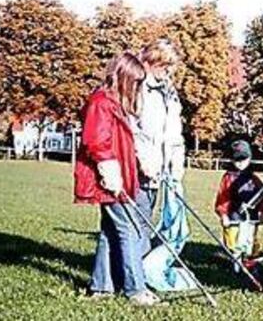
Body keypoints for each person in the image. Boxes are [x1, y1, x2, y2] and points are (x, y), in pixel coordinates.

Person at [73, 52, 160, 306]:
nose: (138, 88)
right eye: (136, 82)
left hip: (124, 176)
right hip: (111, 177)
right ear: (123, 78)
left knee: (110, 231)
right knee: (129, 229)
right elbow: (96, 141)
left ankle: (101, 287)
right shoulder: (101, 102)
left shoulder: (116, 103)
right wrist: (109, 171)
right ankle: (135, 289)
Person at [133, 39, 184, 256]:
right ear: (151, 62)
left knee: (146, 222)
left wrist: (177, 166)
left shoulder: (169, 92)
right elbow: (132, 129)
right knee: (136, 224)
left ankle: (136, 274)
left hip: (160, 172)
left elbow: (174, 133)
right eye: (165, 66)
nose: (169, 71)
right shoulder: (137, 88)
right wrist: (142, 160)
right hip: (139, 170)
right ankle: (133, 278)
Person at [214, 140, 263, 268]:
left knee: (250, 241)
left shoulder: (254, 179)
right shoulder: (228, 178)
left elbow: (261, 196)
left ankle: (251, 263)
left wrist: (262, 212)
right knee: (232, 241)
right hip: (233, 216)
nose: (240, 163)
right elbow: (222, 197)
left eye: (243, 159)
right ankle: (236, 262)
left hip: (251, 217)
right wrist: (223, 215)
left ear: (249, 158)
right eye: (237, 159)